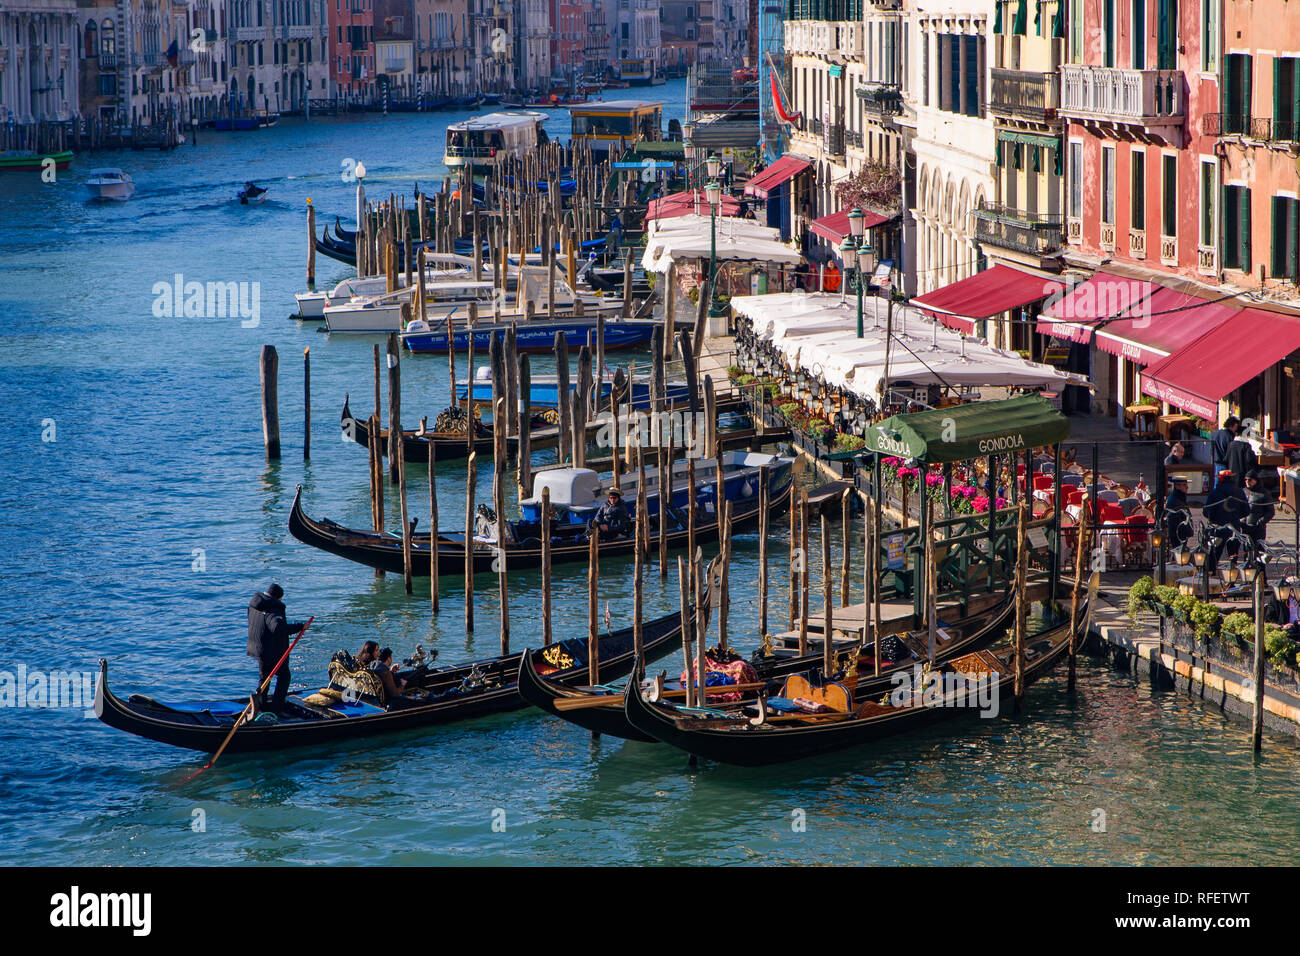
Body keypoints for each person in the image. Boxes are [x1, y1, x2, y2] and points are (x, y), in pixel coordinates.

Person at [246, 584, 305, 713]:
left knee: (264, 677)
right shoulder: (272, 608)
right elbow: (278, 628)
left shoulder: (255, 604)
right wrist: (299, 627)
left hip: (258, 648)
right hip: (272, 651)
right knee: (284, 677)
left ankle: (261, 705)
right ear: (279, 598)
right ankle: (277, 708)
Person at [1242, 469, 1275, 548]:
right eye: (1245, 480)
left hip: (1258, 528)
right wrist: (1241, 520)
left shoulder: (1264, 493)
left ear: (1255, 480)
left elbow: (1270, 511)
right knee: (1246, 549)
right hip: (1244, 527)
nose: (1247, 482)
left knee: (1259, 551)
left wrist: (1260, 522)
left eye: (1250, 480)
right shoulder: (1243, 492)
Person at [1164, 475, 1192, 548]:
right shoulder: (1174, 501)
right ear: (1177, 486)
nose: (1187, 487)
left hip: (1182, 536)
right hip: (1178, 537)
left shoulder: (1179, 498)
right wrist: (1186, 531)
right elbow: (1175, 521)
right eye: (1184, 485)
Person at [1210, 416, 1239, 486]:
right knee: (1223, 484)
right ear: (1234, 425)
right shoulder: (1229, 436)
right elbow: (1230, 452)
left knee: (1216, 484)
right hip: (1224, 464)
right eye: (1236, 427)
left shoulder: (1215, 433)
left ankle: (1215, 496)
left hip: (1214, 462)